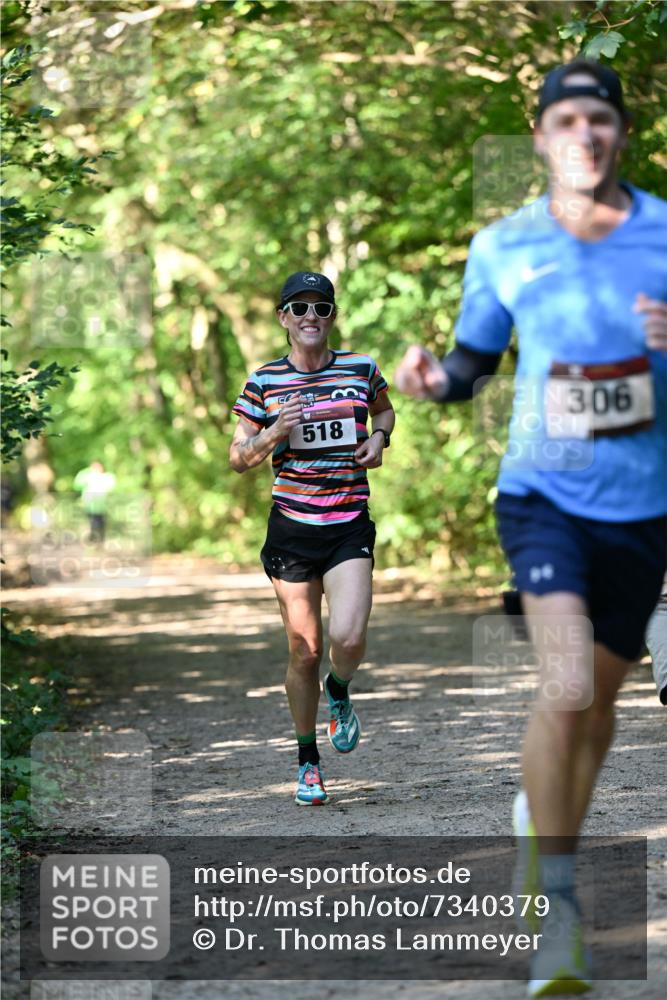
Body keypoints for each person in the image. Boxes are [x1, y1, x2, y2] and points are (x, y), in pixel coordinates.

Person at [395, 60, 667, 996]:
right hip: (542, 492)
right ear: (542, 135)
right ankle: (557, 914)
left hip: (647, 500)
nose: (582, 134)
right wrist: (434, 382)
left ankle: (536, 827)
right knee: (562, 684)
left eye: (598, 118)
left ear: (620, 131)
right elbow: (473, 361)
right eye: (564, 119)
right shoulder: (503, 243)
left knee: (597, 702)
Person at [230, 271, 395, 806]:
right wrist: (274, 432)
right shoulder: (263, 383)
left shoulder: (360, 369)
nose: (310, 317)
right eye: (298, 308)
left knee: (347, 639)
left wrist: (379, 437)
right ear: (283, 318)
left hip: (348, 523)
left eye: (321, 308)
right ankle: (308, 763)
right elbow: (237, 459)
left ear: (332, 317)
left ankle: (340, 689)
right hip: (292, 531)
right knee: (305, 649)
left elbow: (385, 410)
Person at [73, 460, 116, 543]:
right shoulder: (86, 476)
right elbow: (77, 484)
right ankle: (94, 541)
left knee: (102, 525)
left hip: (103, 507)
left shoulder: (106, 477)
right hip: (90, 507)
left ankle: (100, 542)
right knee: (93, 524)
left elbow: (111, 487)